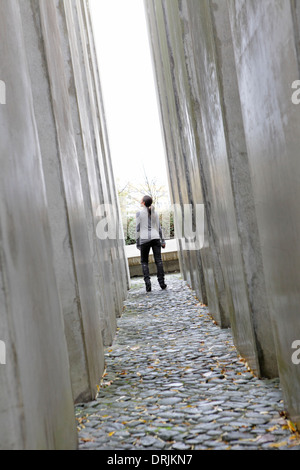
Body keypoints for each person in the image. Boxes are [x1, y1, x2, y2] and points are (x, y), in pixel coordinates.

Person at [136, 195, 167, 293]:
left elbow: (137, 229)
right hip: (155, 237)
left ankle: (148, 283)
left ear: (143, 203)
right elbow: (159, 227)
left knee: (144, 262)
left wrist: (138, 243)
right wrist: (163, 240)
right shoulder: (155, 213)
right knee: (158, 260)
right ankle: (162, 283)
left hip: (144, 239)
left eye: (141, 200)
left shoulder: (139, 214)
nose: (140, 201)